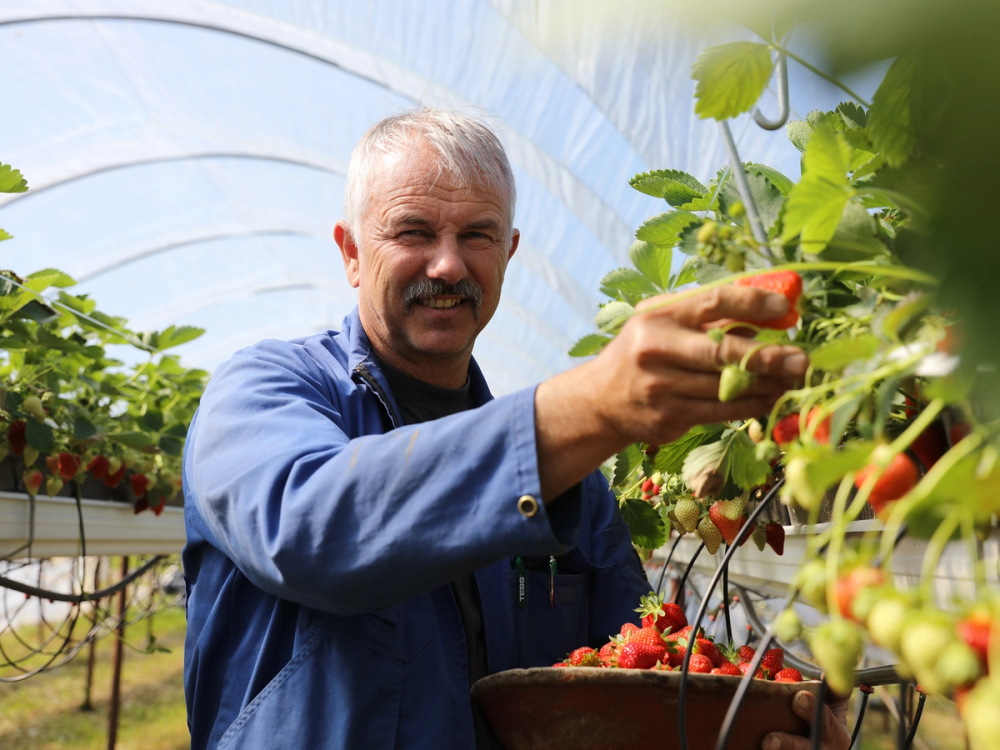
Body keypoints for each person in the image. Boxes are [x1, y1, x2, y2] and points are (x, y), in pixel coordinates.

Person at [181, 108, 850, 750]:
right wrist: (593, 405)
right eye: (413, 232)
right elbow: (308, 529)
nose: (448, 265)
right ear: (352, 252)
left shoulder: (572, 481)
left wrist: (749, 721)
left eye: (477, 234)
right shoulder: (263, 391)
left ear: (510, 250)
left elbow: (636, 679)